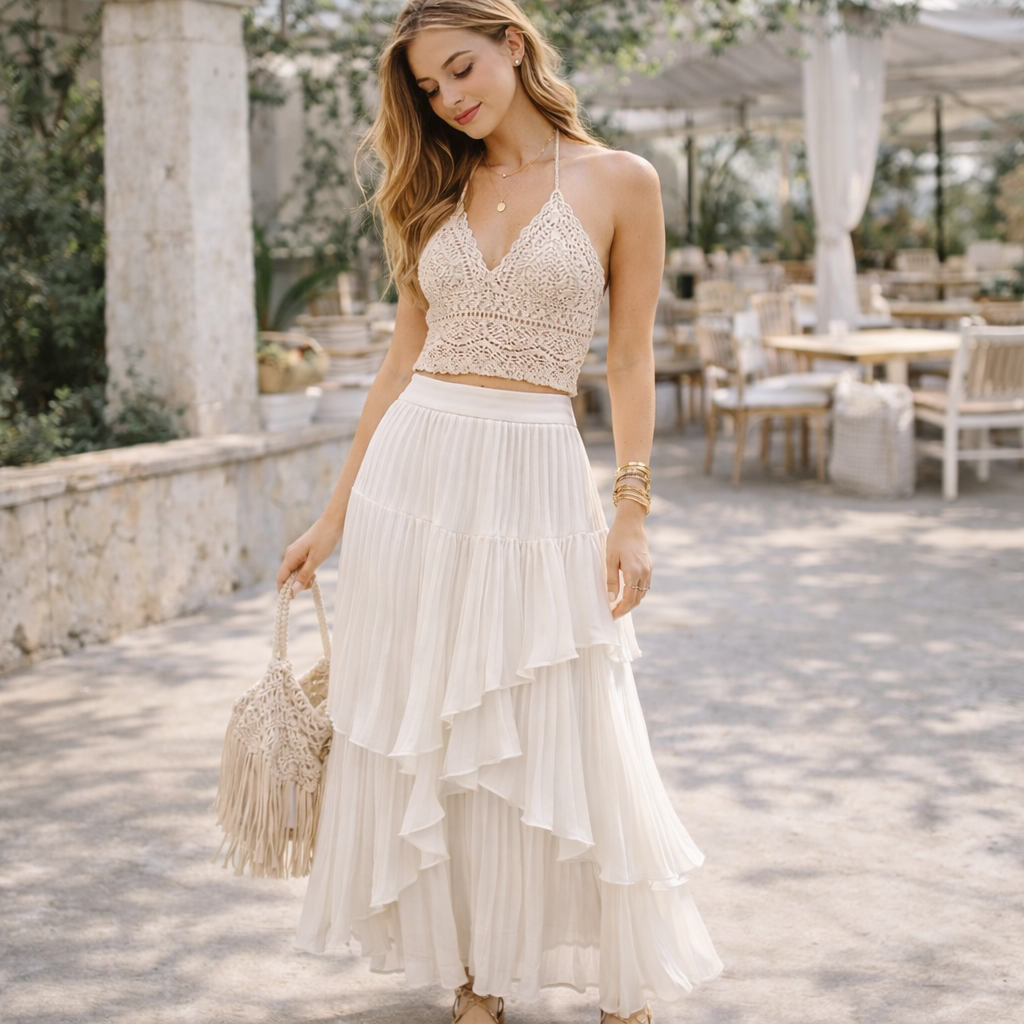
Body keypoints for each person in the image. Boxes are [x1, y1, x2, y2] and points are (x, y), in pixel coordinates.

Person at [276, 2, 722, 1021]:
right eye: (430, 87)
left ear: (513, 45)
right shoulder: (433, 188)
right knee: (441, 717)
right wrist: (332, 518)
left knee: (561, 704)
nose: (450, 98)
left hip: (535, 469)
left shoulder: (622, 180)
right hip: (415, 478)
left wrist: (633, 509)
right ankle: (476, 972)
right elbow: (400, 362)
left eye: (462, 68)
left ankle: (620, 969)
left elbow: (629, 357)